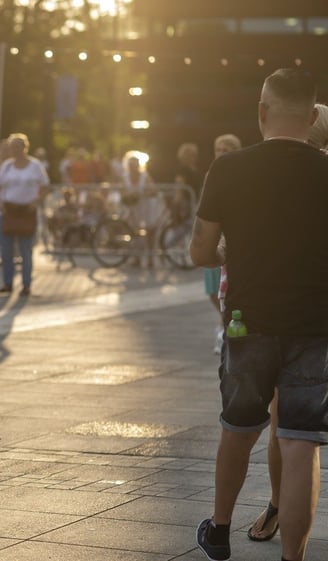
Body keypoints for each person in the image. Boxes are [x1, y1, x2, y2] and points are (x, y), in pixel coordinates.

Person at [191, 68, 328, 561]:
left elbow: (201, 251)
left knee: (238, 428)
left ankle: (220, 530)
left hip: (248, 322)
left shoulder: (228, 168)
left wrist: (225, 253)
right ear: (312, 117)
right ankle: (293, 556)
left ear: (262, 112)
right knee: (300, 443)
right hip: (316, 327)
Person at [244, 103, 328, 544]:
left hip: (289, 316)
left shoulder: (269, 172)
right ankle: (281, 512)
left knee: (291, 429)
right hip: (308, 317)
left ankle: (279, 507)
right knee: (297, 432)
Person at [0, 133, 49, 296]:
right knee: (6, 250)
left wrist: (36, 202)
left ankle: (26, 284)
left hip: (26, 211)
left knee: (26, 250)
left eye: (18, 147)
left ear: (25, 148)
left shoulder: (35, 165)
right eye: (12, 147)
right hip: (8, 210)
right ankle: (7, 283)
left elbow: (45, 185)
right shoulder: (7, 166)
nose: (15, 150)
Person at [205, 134, 242, 355]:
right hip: (213, 235)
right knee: (211, 288)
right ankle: (223, 322)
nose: (221, 153)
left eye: (226, 149)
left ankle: (224, 326)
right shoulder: (211, 174)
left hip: (229, 237)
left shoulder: (242, 174)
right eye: (218, 149)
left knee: (226, 288)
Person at [121, 154, 158, 268]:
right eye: (131, 165)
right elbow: (122, 192)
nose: (133, 167)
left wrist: (141, 194)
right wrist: (130, 197)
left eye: (135, 165)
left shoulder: (145, 176)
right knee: (134, 232)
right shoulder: (125, 177)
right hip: (133, 208)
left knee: (150, 232)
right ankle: (136, 257)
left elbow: (154, 190)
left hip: (146, 206)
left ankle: (150, 258)